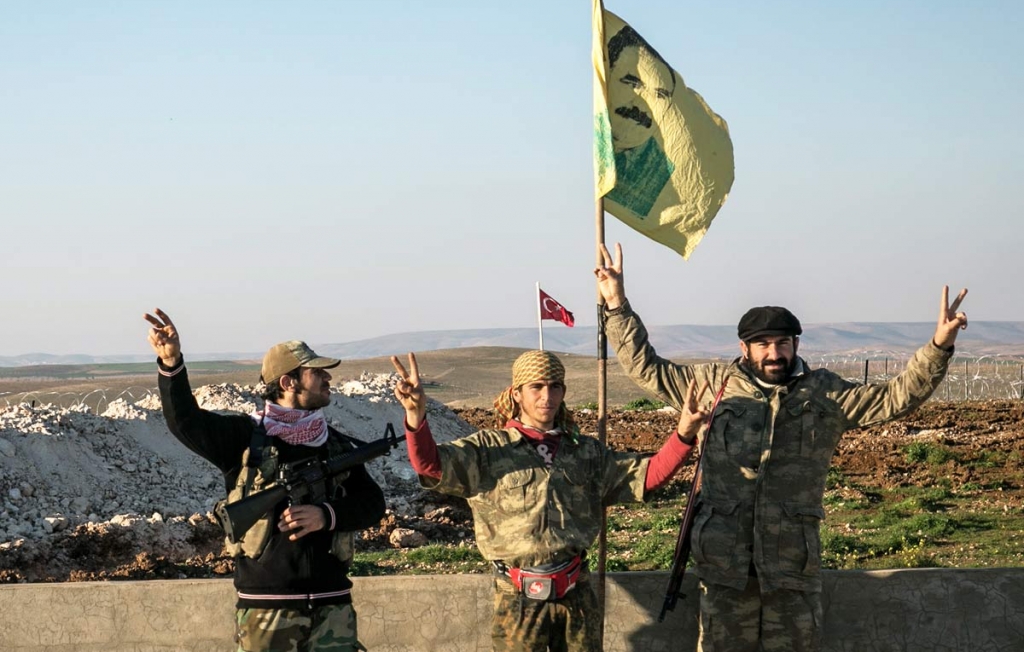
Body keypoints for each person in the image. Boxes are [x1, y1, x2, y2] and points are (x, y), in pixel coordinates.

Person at [593, 243, 968, 652]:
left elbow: (895, 396)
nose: (775, 353)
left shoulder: (824, 393)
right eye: (764, 344)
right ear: (744, 349)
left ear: (795, 345)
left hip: (792, 568)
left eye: (783, 343)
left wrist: (939, 346)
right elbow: (645, 366)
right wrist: (616, 304)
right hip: (724, 568)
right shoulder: (711, 385)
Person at [391, 348, 706, 651]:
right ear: (516, 393)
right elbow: (431, 465)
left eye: (555, 386)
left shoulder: (586, 452)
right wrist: (416, 417)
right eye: (536, 387)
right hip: (517, 600)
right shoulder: (488, 450)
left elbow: (647, 476)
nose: (547, 396)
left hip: (577, 596)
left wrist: (684, 434)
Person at [144, 308, 385, 652]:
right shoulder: (245, 437)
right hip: (265, 609)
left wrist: (326, 515)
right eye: (317, 373)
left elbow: (373, 504)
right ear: (288, 382)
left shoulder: (335, 444)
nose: (328, 379)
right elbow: (185, 422)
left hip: (333, 607)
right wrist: (171, 364)